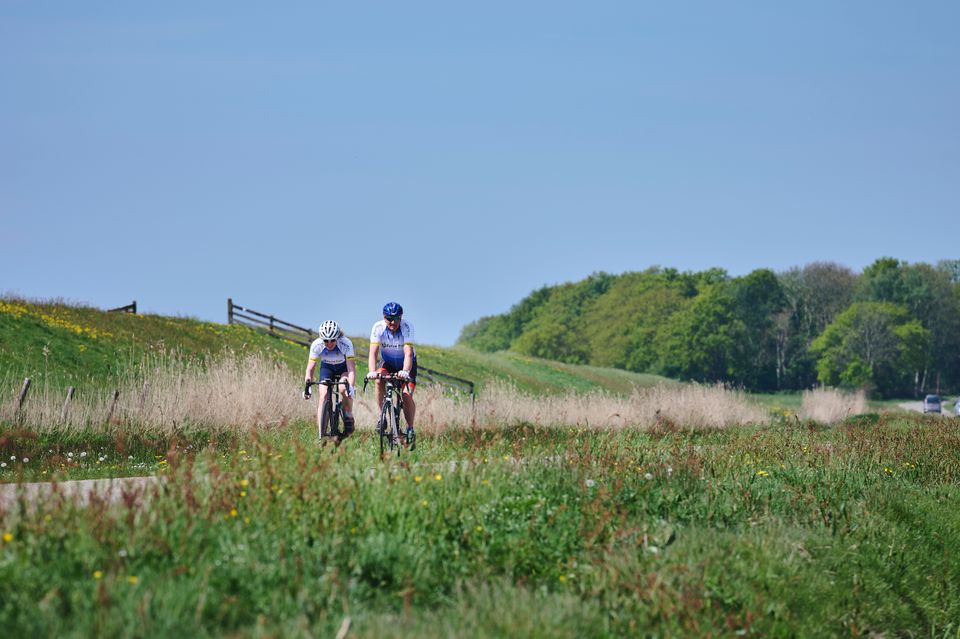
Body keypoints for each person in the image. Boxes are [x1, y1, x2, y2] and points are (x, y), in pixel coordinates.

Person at [366, 302, 417, 449]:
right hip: (387, 363)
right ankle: (381, 416)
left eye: (396, 318)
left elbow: (408, 353)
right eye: (389, 318)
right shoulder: (378, 327)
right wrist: (371, 371)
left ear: (401, 317)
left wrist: (405, 371)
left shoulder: (407, 327)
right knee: (378, 381)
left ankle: (410, 428)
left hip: (407, 364)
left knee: (406, 395)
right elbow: (373, 353)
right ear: (384, 317)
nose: (392, 322)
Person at [303, 320, 356, 440]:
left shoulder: (346, 343)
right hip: (327, 369)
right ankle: (321, 434)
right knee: (323, 396)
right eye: (326, 341)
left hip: (343, 368)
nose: (329, 343)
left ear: (337, 337)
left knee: (343, 388)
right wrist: (308, 386)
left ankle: (348, 414)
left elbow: (351, 369)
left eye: (332, 340)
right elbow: (310, 369)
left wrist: (351, 387)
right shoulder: (317, 345)